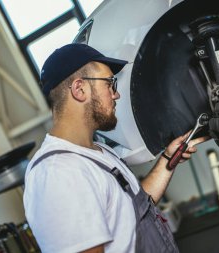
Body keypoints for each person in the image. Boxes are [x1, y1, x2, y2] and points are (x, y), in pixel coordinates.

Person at [23, 43, 209, 253]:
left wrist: (168, 159)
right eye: (110, 83)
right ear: (79, 89)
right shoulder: (57, 173)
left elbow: (134, 212)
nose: (116, 94)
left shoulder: (98, 151)